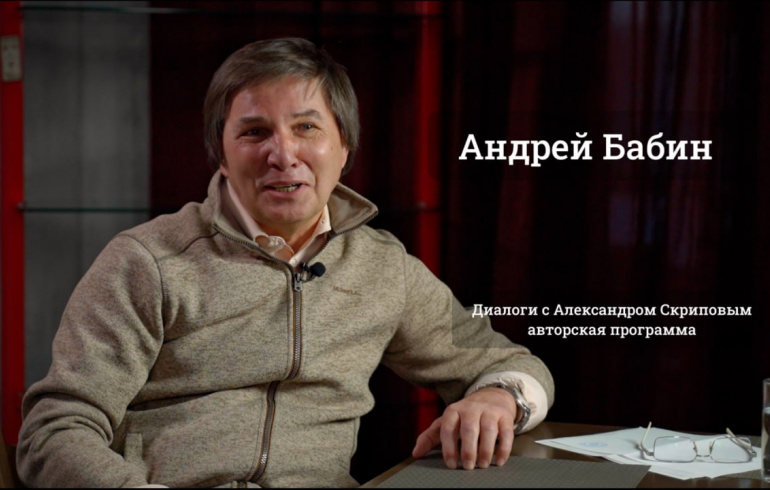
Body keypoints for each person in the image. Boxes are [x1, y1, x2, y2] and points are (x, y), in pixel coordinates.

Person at [16, 37, 554, 488]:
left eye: (306, 128)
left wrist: (498, 398)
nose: (283, 154)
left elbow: (514, 364)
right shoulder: (147, 261)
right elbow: (55, 431)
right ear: (222, 153)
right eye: (254, 132)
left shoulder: (383, 268)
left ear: (345, 146)